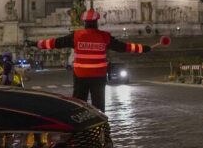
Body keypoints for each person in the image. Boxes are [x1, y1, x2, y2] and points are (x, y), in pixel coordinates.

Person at [27, 8, 156, 111]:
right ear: (96, 22)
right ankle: (99, 129)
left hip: (80, 75)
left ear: (84, 23)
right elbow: (123, 47)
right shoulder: (105, 37)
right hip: (99, 76)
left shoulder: (76, 36)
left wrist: (35, 43)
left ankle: (79, 128)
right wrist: (143, 48)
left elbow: (55, 43)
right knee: (98, 105)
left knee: (78, 104)